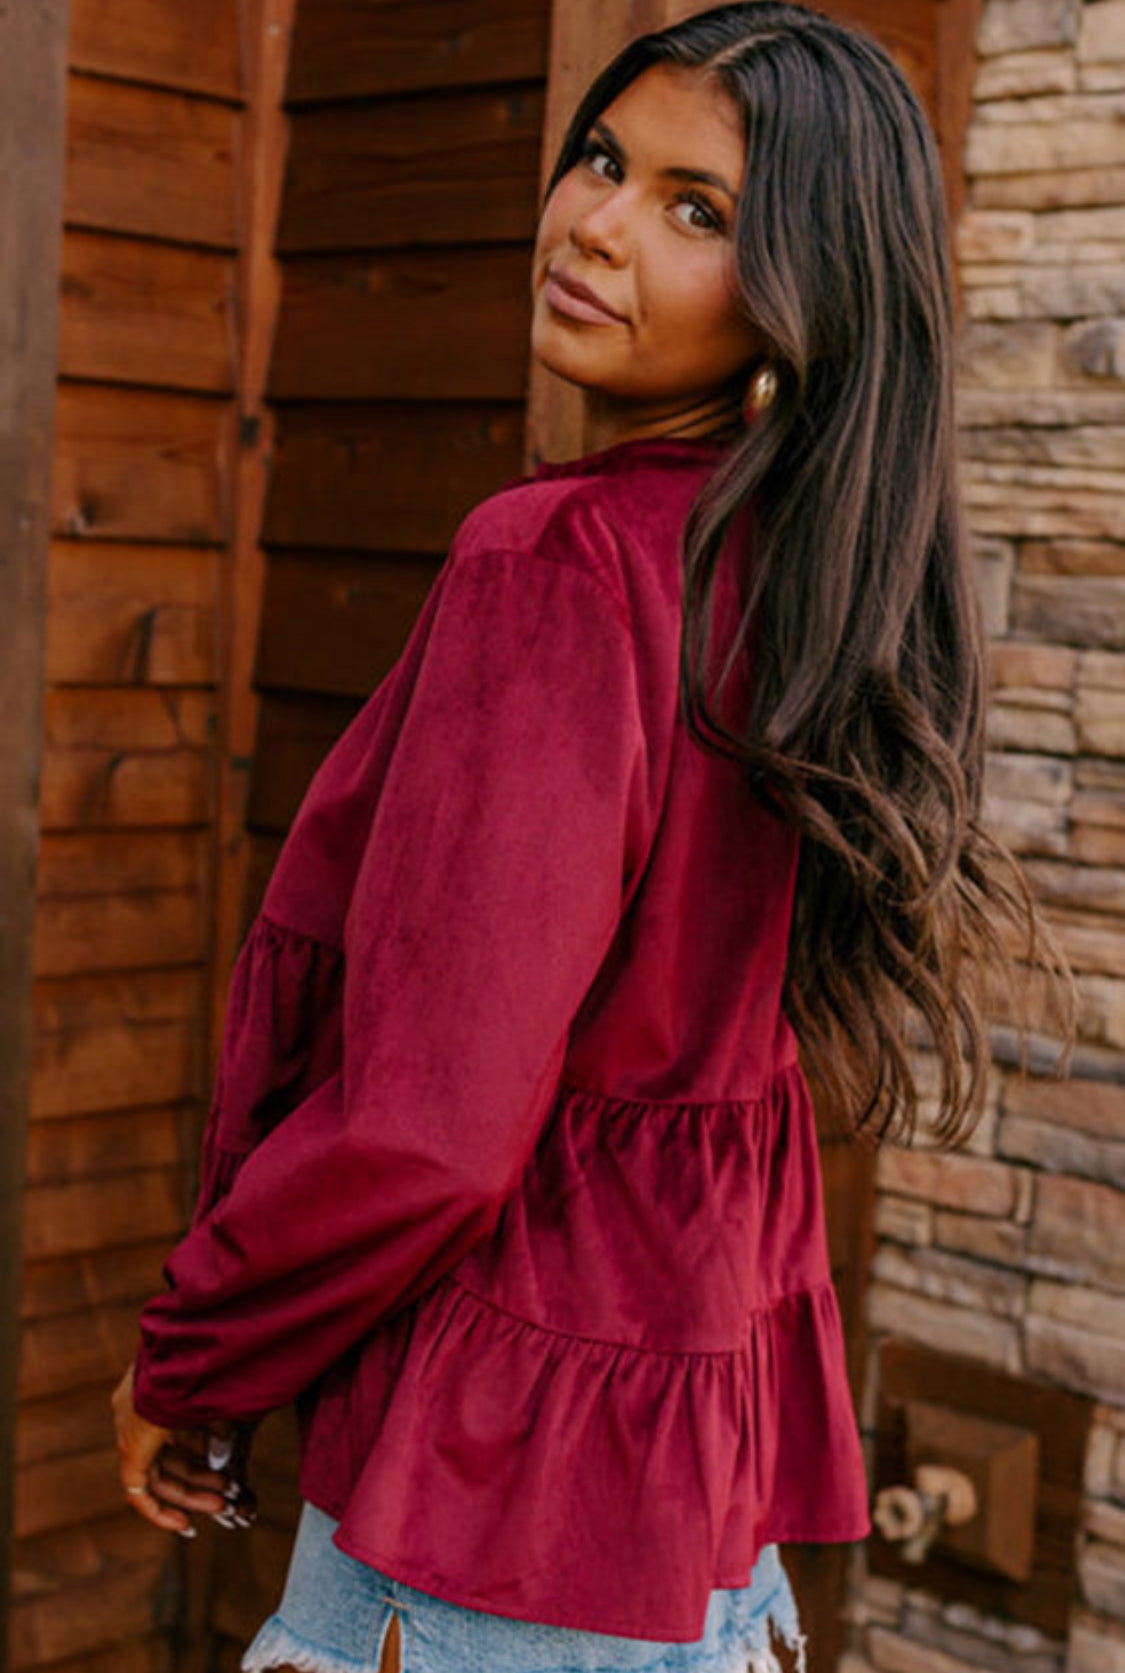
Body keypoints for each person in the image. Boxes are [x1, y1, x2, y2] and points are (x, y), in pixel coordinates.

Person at [110, 4, 1078, 1671]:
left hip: (480, 1527)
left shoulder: (558, 562)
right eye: (606, 161)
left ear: (803, 295)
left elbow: (430, 1126)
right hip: (695, 1538)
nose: (598, 222)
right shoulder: (817, 584)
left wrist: (188, 1356)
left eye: (698, 211)